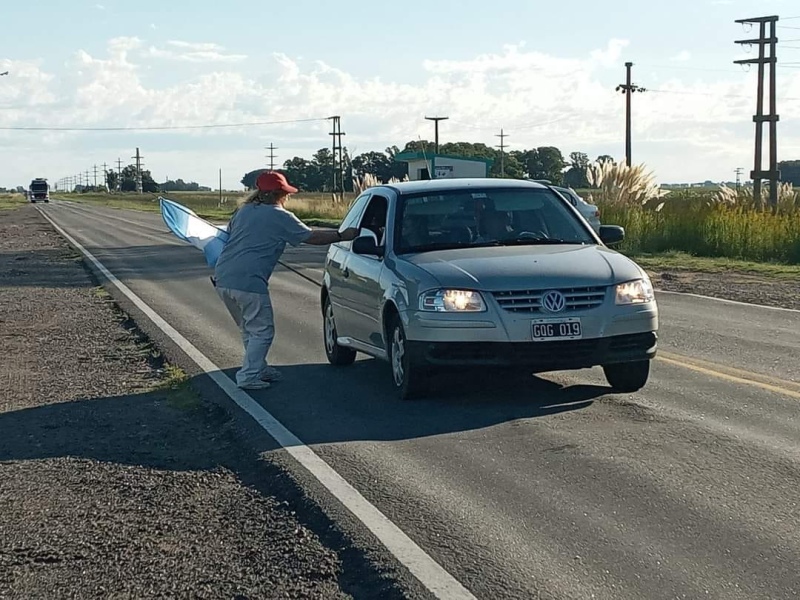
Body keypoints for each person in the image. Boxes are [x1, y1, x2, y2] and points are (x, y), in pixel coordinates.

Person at [213, 171, 359, 390]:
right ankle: (248, 376)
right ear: (275, 194)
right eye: (285, 193)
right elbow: (312, 237)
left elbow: (234, 235)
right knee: (262, 331)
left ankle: (258, 368)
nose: (287, 197)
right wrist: (342, 235)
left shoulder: (243, 211)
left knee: (249, 328)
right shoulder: (279, 215)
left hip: (223, 276)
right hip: (249, 281)